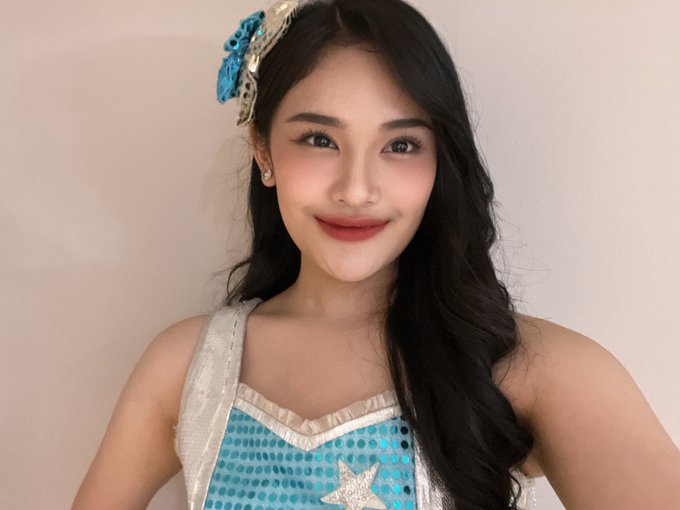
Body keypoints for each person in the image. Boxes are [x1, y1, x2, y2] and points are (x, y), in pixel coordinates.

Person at [71, 0, 680, 509]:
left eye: (402, 144)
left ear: (441, 160)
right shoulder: (188, 367)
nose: (357, 189)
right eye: (319, 139)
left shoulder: (535, 370)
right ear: (263, 150)